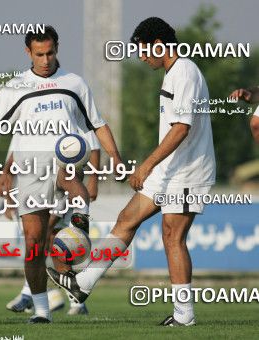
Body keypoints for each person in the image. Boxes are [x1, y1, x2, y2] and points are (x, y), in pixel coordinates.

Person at [0, 26, 122, 323]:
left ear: (57, 48)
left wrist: (114, 155)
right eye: (39, 54)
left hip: (63, 160)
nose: (45, 59)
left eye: (50, 52)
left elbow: (97, 124)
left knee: (73, 186)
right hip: (29, 168)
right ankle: (41, 310)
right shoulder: (16, 87)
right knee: (34, 243)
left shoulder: (74, 83)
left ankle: (79, 224)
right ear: (28, 52)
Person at [47, 17, 216, 327]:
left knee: (172, 237)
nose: (141, 56)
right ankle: (81, 285)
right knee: (127, 219)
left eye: (142, 50)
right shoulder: (172, 74)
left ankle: (184, 316)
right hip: (170, 170)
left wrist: (147, 164)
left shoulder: (185, 72)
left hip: (189, 171)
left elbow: (181, 129)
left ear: (158, 45)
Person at [3, 132, 100, 316]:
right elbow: (14, 157)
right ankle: (67, 298)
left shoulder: (71, 116)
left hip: (58, 183)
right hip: (34, 184)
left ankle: (36, 295)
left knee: (49, 241)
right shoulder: (24, 126)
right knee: (44, 242)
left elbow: (94, 144)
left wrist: (93, 180)